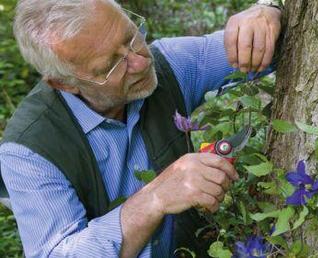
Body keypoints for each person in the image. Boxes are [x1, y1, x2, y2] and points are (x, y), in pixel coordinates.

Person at [0, 0, 282, 257]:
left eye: (131, 37)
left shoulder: (168, 64)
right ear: (65, 84)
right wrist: (154, 198)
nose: (140, 61)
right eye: (111, 65)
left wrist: (267, 12)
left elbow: (264, 45)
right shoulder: (28, 151)